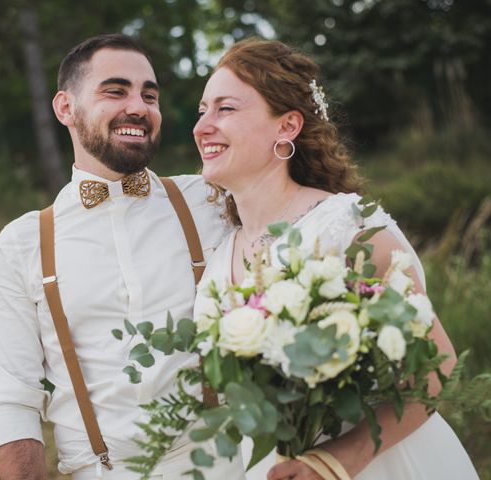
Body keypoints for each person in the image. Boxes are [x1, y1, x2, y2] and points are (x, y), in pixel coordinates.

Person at [192, 38, 479, 479]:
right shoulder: (220, 256)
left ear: (287, 126)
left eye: (225, 109)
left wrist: (335, 461)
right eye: (201, 111)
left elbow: (435, 371)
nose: (203, 126)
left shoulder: (347, 228)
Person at [0, 34, 245, 479]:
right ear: (65, 108)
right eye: (116, 91)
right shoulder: (21, 244)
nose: (139, 107)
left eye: (150, 94)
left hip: (228, 467)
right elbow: (12, 396)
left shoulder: (214, 200)